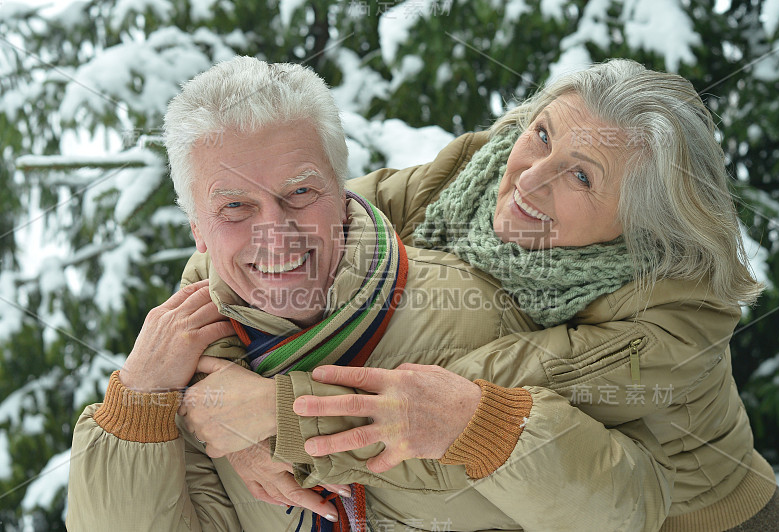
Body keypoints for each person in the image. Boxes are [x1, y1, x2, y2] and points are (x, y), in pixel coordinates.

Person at [183, 60, 779, 531]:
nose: (531, 175)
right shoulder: (470, 176)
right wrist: (221, 389)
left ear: (642, 219)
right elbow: (280, 229)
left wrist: (270, 417)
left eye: (582, 175)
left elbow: (441, 399)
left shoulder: (667, 320)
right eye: (542, 135)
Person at [67, 57, 661, 531]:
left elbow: (630, 506)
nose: (276, 233)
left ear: (342, 188)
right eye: (235, 207)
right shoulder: (184, 385)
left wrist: (475, 428)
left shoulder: (471, 310)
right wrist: (136, 408)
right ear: (196, 229)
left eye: (300, 193)